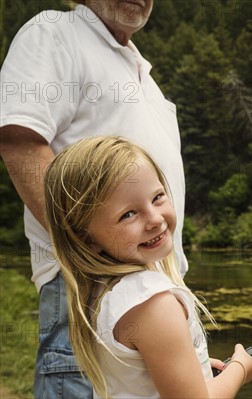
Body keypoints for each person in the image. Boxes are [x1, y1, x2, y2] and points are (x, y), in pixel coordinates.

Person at [0, 1, 190, 396]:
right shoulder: (54, 32)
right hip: (90, 287)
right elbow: (20, 143)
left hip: (152, 285)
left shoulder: (143, 73)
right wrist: (92, 259)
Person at [43, 135, 252, 398]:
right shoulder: (152, 302)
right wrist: (239, 368)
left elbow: (139, 375)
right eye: (128, 214)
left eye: (157, 197)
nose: (155, 219)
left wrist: (194, 366)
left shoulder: (103, 293)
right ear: (86, 238)